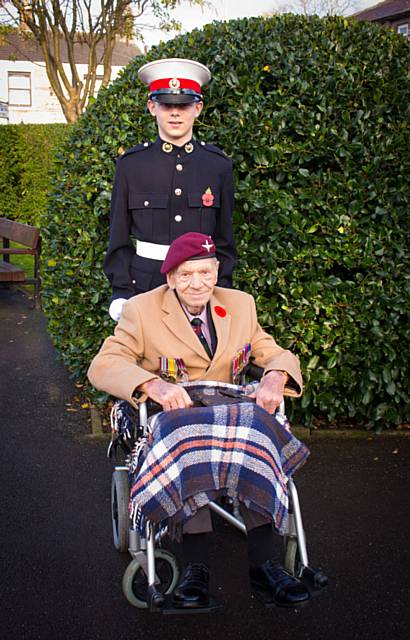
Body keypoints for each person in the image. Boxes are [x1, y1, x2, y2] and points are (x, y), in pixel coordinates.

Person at [88, 232, 310, 609]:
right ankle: (196, 569)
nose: (197, 283)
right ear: (171, 278)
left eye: (205, 273)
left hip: (226, 411)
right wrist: (152, 384)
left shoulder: (240, 305)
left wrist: (274, 376)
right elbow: (104, 365)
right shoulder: (142, 310)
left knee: (260, 432)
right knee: (186, 439)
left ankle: (265, 566)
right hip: (173, 415)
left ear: (216, 271)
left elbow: (273, 352)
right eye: (187, 274)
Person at [104, 57, 236, 321]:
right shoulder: (131, 165)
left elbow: (224, 240)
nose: (175, 113)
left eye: (184, 105)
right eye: (166, 105)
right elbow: (118, 237)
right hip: (145, 288)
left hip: (201, 290)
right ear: (152, 107)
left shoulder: (217, 165)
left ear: (198, 108)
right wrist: (122, 292)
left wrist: (221, 289)